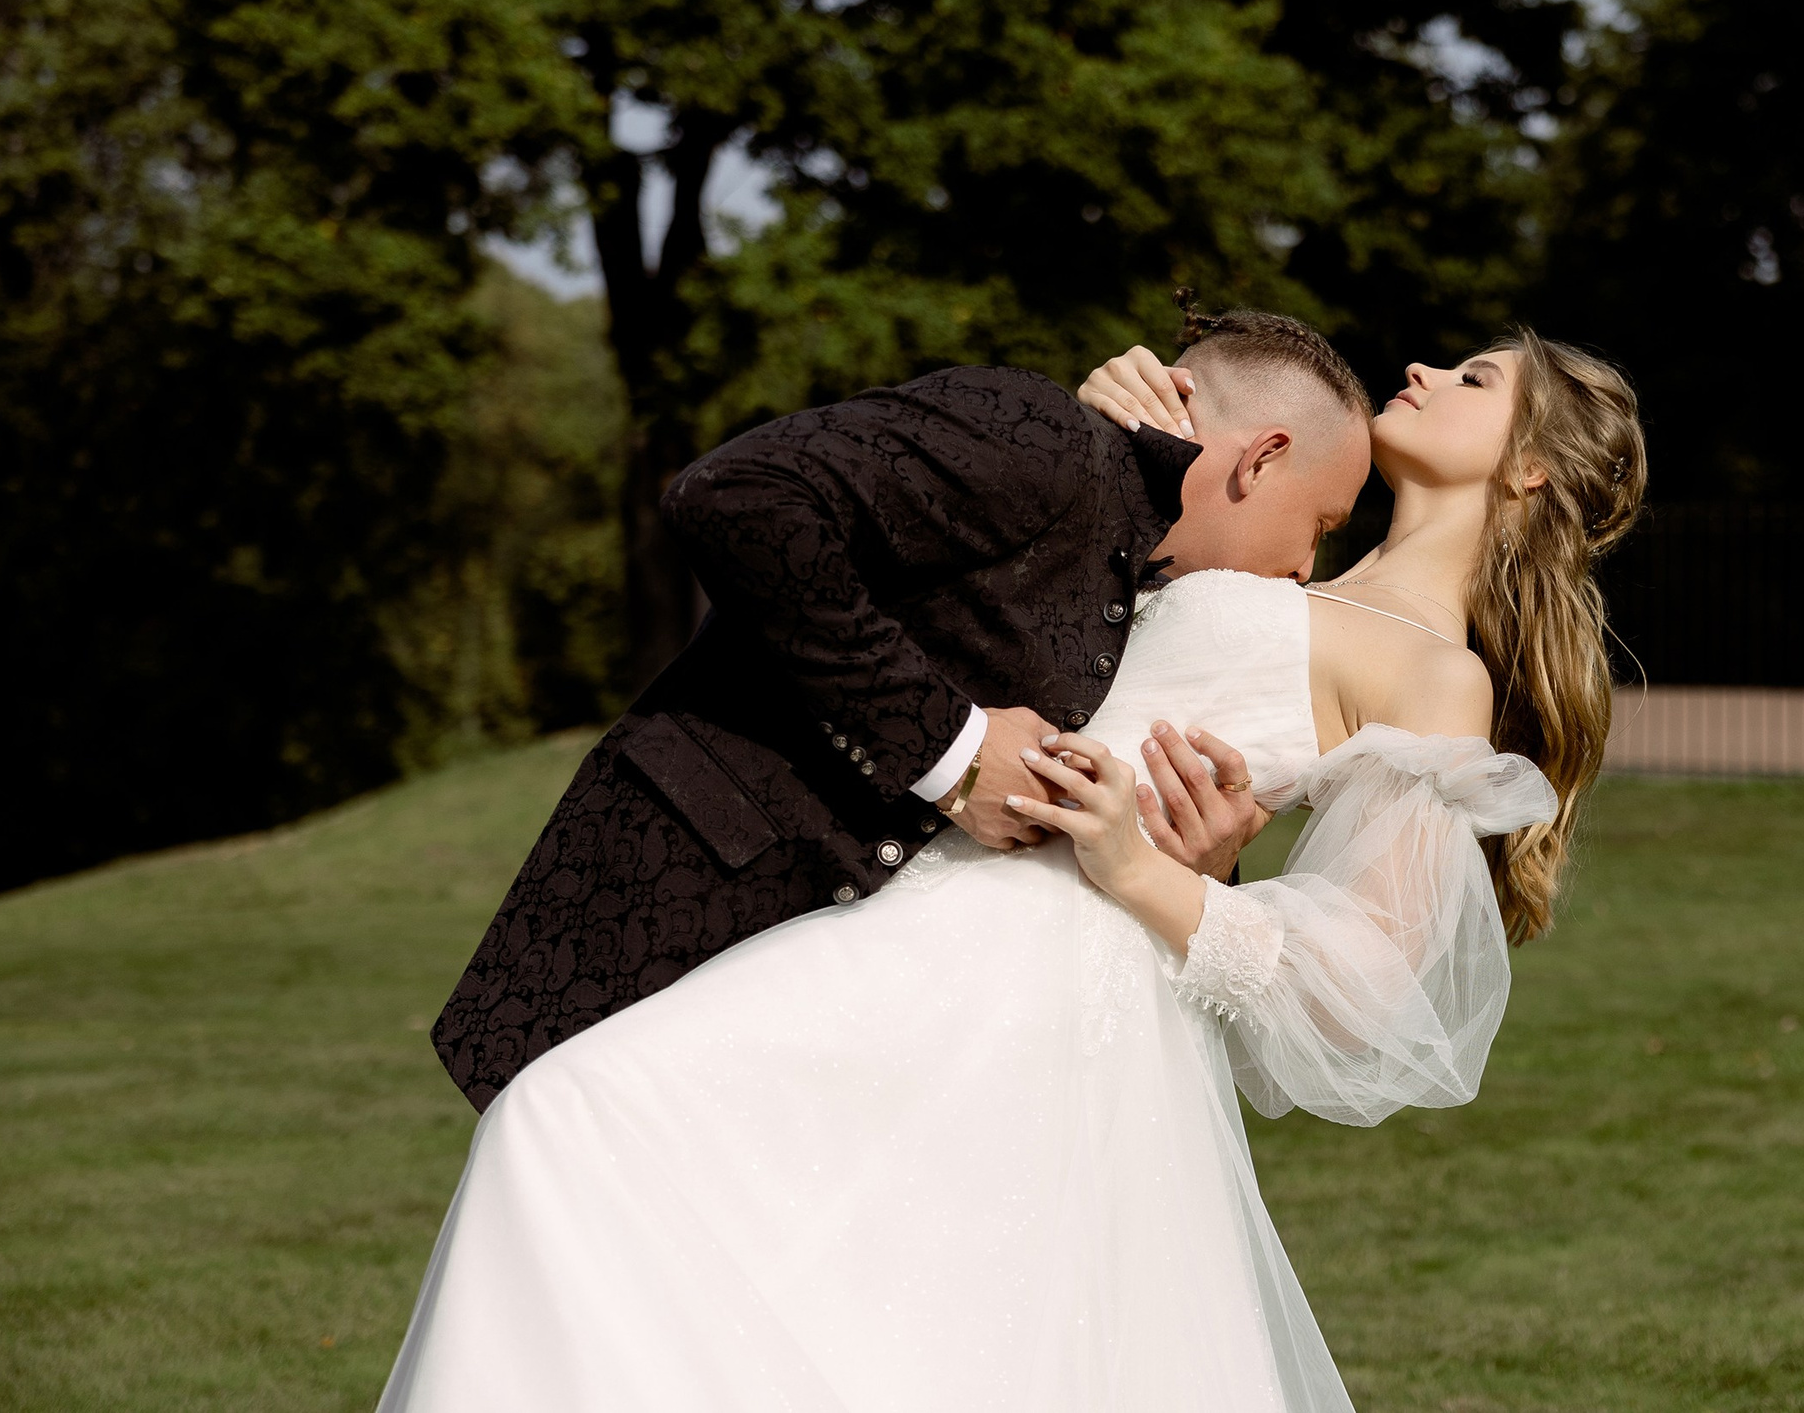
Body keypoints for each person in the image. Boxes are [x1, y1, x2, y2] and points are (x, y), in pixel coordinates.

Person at [377, 324, 1647, 1413]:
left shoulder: (1435, 670)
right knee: (726, 1235)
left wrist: (1147, 870)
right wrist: (1124, 446)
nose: (1426, 366)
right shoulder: (1248, 531)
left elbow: (1371, 985)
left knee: (583, 1123)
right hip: (914, 912)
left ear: (1531, 468)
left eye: (1477, 379)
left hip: (1039, 979)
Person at [431, 311, 1374, 1109]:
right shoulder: (1042, 437)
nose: (1305, 569)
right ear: (1264, 457)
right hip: (673, 899)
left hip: (819, 996)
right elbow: (738, 499)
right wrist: (954, 751)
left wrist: (1204, 857)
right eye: (1322, 527)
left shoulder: (1142, 571)